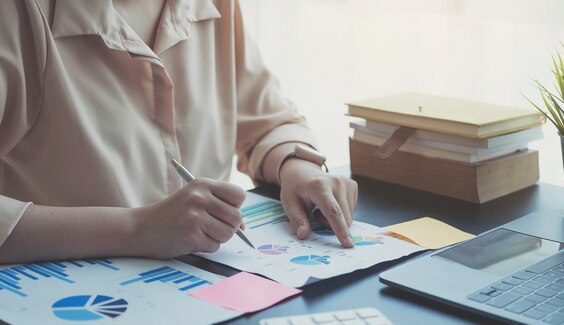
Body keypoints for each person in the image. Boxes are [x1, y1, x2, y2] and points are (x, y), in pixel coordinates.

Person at [0, 0, 358, 264]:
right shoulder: (15, 14)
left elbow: (267, 121)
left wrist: (296, 165)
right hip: (65, 313)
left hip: (207, 296)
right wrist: (134, 228)